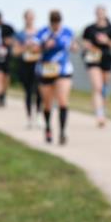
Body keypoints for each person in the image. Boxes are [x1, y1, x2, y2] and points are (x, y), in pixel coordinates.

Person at [35, 10, 76, 145]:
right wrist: (44, 46)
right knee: (47, 103)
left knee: (63, 101)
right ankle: (48, 127)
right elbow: (32, 48)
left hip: (63, 70)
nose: (56, 25)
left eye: (57, 22)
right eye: (53, 22)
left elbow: (75, 46)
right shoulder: (42, 33)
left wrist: (74, 47)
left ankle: (62, 132)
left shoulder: (67, 32)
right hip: (46, 70)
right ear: (50, 22)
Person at [81, 5, 111, 128]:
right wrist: (88, 45)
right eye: (98, 12)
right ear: (95, 14)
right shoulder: (89, 29)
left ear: (105, 14)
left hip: (106, 59)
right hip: (93, 59)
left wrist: (107, 41)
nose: (100, 14)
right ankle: (99, 115)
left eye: (102, 12)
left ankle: (102, 109)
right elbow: (84, 42)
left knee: (104, 87)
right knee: (97, 87)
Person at [14, 10, 41, 129]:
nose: (30, 19)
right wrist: (26, 46)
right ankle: (29, 117)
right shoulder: (19, 34)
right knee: (28, 91)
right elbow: (15, 51)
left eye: (32, 17)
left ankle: (39, 115)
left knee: (39, 90)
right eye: (28, 17)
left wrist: (36, 48)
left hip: (38, 64)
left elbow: (44, 49)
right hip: (25, 65)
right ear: (24, 19)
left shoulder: (40, 33)